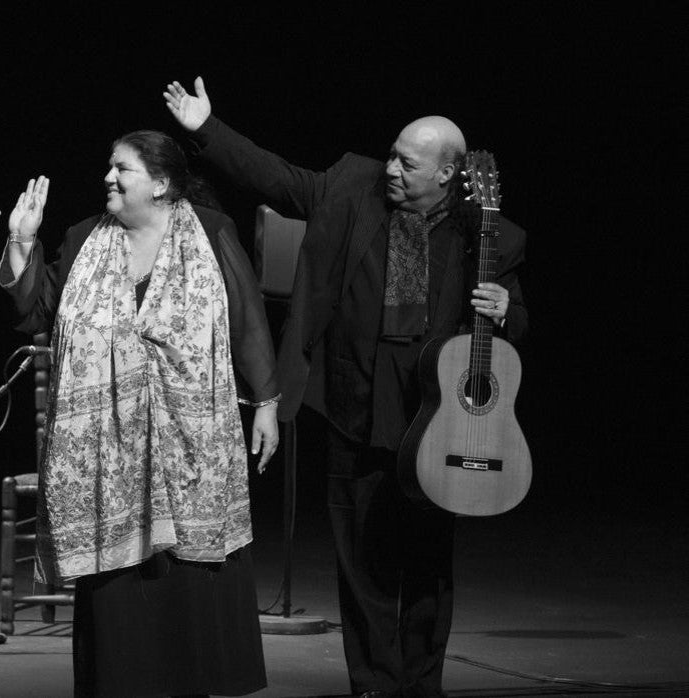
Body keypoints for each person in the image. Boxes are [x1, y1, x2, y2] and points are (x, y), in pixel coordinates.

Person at [165, 77, 529, 698]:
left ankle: (421, 681)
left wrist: (505, 311)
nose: (390, 168)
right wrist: (206, 128)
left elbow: (513, 321)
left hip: (433, 412)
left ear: (447, 175)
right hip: (349, 398)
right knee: (358, 556)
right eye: (391, 154)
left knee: (427, 558)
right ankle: (373, 680)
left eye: (407, 164)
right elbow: (273, 176)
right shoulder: (350, 186)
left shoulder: (488, 234)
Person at [0, 131, 280, 698]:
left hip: (191, 439)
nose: (108, 176)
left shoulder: (211, 231)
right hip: (109, 449)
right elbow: (37, 311)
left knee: (189, 579)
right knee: (119, 590)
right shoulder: (83, 238)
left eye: (121, 168)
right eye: (109, 166)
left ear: (161, 183)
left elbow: (247, 318)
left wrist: (267, 402)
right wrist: (20, 243)